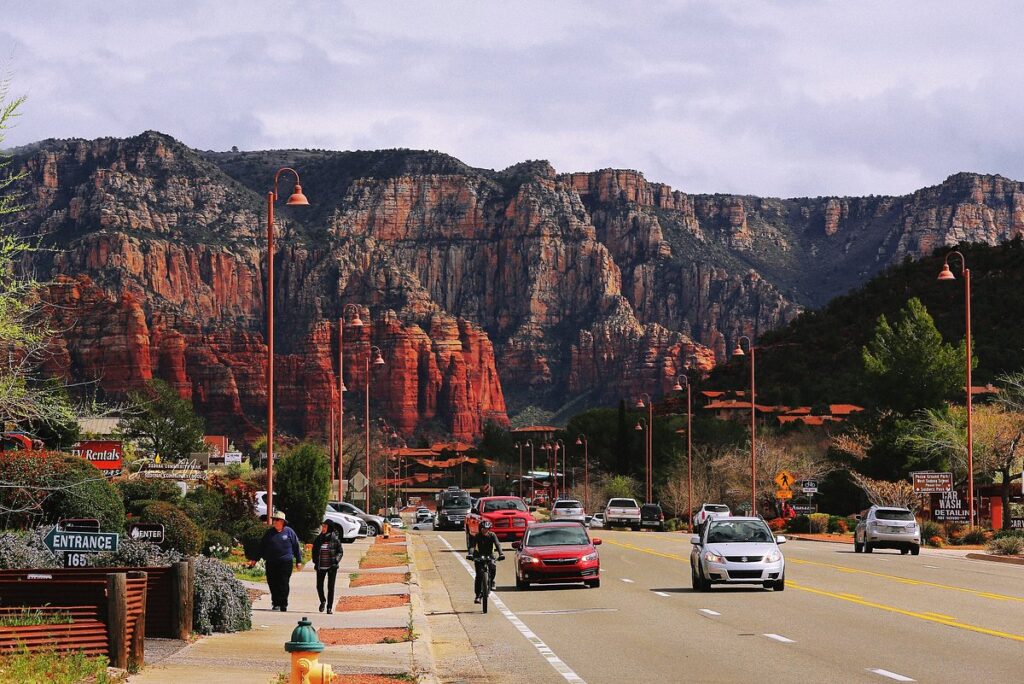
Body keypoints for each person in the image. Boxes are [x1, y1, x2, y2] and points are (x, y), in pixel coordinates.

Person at [259, 511, 303, 611]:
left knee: (283, 582)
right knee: (272, 583)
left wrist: (298, 561)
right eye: (274, 519)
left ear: (282, 521)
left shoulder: (289, 532)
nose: (274, 521)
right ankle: (276, 603)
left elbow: (296, 547)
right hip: (271, 562)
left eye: (277, 520)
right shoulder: (269, 533)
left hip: (285, 562)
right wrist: (255, 559)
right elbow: (261, 547)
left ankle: (283, 603)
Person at [467, 520, 504, 603]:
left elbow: (497, 544)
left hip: (490, 555)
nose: (485, 530)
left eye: (487, 529)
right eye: (483, 529)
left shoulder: (492, 535)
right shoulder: (477, 536)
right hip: (479, 555)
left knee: (493, 567)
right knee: (479, 575)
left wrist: (501, 554)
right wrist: (470, 554)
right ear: (480, 529)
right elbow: (472, 545)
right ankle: (478, 596)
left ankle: (492, 581)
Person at [312, 519, 344, 614]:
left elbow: (340, 551)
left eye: (325, 526)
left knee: (331, 587)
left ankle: (329, 607)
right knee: (319, 586)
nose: (323, 528)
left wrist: (336, 560)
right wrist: (315, 561)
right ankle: (323, 601)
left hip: (331, 567)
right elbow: (314, 551)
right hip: (320, 566)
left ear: (329, 528)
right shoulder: (319, 539)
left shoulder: (335, 539)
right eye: (323, 526)